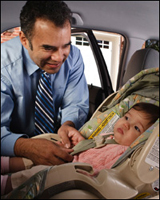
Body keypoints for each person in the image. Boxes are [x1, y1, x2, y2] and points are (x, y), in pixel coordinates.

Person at [1, 1, 89, 166]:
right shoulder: (3, 67)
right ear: (24, 40)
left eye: (65, 46)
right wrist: (26, 147)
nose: (59, 57)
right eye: (48, 48)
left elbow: (76, 103)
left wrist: (68, 124)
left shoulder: (74, 57)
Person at [70, 103, 159, 174]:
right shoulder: (109, 135)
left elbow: (103, 174)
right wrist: (80, 144)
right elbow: (91, 149)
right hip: (70, 160)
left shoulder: (123, 154)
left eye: (136, 128)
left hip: (78, 174)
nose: (126, 124)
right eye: (127, 118)